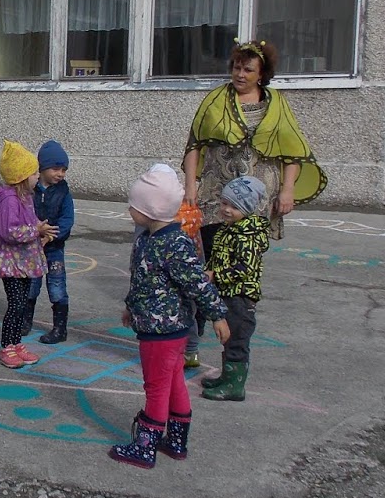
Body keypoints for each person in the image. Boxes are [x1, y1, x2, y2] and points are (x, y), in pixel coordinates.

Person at [110, 165, 230, 470]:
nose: (130, 210)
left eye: (134, 206)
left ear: (150, 209)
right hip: (159, 327)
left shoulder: (175, 244)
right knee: (174, 381)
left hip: (163, 332)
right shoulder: (146, 240)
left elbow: (198, 283)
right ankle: (176, 441)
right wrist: (130, 307)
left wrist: (217, 315)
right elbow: (141, 281)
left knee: (156, 386)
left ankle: (145, 446)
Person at [182, 37, 324, 262]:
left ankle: (241, 287)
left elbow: (292, 152)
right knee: (211, 249)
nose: (240, 74)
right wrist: (190, 187)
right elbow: (194, 145)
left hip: (258, 196)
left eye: (248, 70)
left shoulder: (276, 103)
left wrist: (287, 190)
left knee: (246, 256)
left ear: (261, 74)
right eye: (237, 68)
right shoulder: (215, 101)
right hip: (217, 192)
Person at [201, 176, 271, 403]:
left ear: (247, 209)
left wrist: (216, 275)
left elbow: (244, 268)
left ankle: (235, 385)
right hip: (227, 292)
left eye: (234, 206)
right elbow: (217, 256)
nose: (226, 210)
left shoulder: (247, 236)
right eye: (224, 203)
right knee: (229, 337)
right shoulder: (228, 229)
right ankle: (227, 376)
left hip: (241, 296)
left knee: (237, 338)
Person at [0, 141, 51, 369]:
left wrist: (40, 229)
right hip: (11, 263)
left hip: (25, 261)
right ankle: (6, 347)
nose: (38, 176)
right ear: (21, 177)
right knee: (15, 304)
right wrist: (36, 230)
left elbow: (29, 222)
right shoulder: (9, 200)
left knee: (22, 304)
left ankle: (16, 343)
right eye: (34, 173)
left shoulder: (25, 197)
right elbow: (8, 231)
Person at [29, 139, 75, 345]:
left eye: (64, 170)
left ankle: (60, 328)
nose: (60, 174)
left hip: (54, 247)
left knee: (57, 286)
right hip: (32, 246)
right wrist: (35, 230)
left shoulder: (63, 191)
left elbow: (67, 218)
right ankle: (25, 320)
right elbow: (25, 213)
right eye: (56, 169)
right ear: (42, 168)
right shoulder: (31, 189)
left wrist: (52, 235)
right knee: (31, 284)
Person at [175, 199, 206, 369]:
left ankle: (183, 350)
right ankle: (191, 350)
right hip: (192, 265)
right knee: (189, 307)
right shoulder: (189, 209)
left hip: (176, 268)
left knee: (180, 308)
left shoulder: (162, 210)